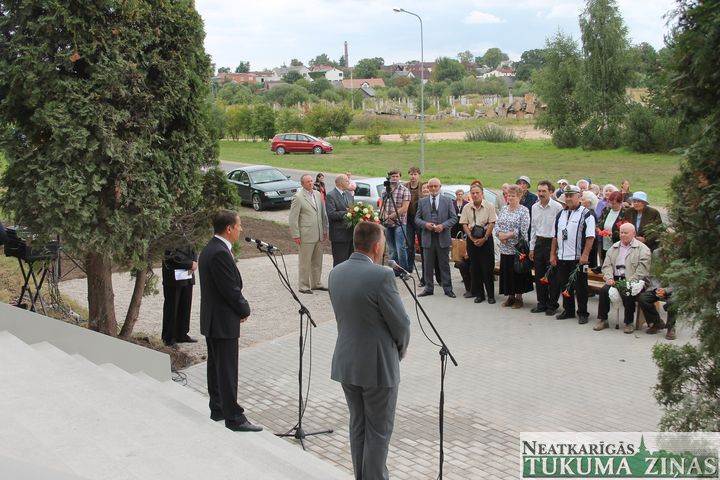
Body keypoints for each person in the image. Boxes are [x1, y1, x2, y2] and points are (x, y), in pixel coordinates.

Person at [329, 221, 411, 480]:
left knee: (358, 425)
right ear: (376, 247)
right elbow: (401, 324)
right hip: (377, 366)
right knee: (378, 431)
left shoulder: (336, 272)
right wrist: (399, 350)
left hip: (347, 363)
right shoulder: (382, 276)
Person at [199, 210, 261, 432]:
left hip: (214, 319)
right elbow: (230, 289)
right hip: (222, 320)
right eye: (238, 226)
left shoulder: (211, 248)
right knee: (226, 369)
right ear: (229, 229)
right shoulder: (219, 253)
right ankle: (234, 418)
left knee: (216, 366)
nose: (240, 229)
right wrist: (244, 309)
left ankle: (218, 408)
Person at [549, 185, 596, 323]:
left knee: (581, 287)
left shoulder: (586, 214)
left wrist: (585, 255)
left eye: (571, 195)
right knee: (565, 285)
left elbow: (590, 237)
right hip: (562, 256)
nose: (568, 198)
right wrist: (553, 254)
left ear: (579, 196)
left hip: (578, 258)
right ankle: (568, 310)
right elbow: (555, 236)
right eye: (567, 196)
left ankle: (583, 312)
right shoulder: (561, 214)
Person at [593, 223, 651, 334]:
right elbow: (606, 266)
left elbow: (642, 269)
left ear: (633, 234)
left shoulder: (642, 249)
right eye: (621, 233)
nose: (623, 235)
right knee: (604, 290)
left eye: (626, 233)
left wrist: (630, 281)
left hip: (634, 280)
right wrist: (609, 278)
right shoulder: (614, 248)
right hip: (615, 278)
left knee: (627, 292)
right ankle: (602, 319)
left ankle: (628, 322)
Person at [415, 177, 458, 298]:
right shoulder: (422, 202)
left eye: (436, 186)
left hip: (442, 237)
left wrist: (443, 226)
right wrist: (425, 225)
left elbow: (454, 218)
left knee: (444, 264)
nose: (433, 188)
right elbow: (417, 219)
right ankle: (428, 288)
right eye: (431, 186)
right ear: (428, 187)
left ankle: (448, 289)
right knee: (428, 265)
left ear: (440, 187)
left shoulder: (447, 201)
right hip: (428, 237)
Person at [289, 174, 329, 294]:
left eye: (311, 181)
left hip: (318, 233)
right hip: (306, 235)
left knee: (317, 261)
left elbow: (322, 214)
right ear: (302, 184)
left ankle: (316, 283)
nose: (311, 183)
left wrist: (324, 230)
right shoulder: (298, 197)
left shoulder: (317, 194)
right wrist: (296, 235)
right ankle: (304, 285)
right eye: (308, 182)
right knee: (305, 261)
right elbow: (293, 218)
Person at [495, 184, 533, 309]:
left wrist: (508, 235)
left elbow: (524, 229)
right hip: (505, 247)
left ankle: (518, 298)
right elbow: (497, 224)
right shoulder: (504, 209)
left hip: (517, 248)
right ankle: (510, 296)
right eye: (508, 195)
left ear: (519, 196)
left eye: (513, 196)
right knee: (507, 272)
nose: (510, 198)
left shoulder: (524, 210)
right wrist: (499, 234)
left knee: (518, 272)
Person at [459, 183, 497, 304]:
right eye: (473, 193)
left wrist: (485, 238)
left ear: (482, 194)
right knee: (475, 268)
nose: (475, 195)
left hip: (486, 239)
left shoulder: (489, 206)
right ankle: (480, 294)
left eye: (477, 193)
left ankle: (491, 295)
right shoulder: (467, 207)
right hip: (472, 240)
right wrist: (471, 237)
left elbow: (492, 223)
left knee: (487, 268)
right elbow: (464, 223)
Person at [529, 180, 563, 313]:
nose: (541, 194)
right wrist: (532, 247)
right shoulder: (534, 207)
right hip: (539, 242)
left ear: (551, 192)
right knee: (539, 275)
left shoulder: (557, 207)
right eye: (539, 191)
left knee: (553, 276)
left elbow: (559, 229)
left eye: (544, 191)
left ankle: (552, 304)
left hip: (552, 243)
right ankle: (541, 303)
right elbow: (533, 228)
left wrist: (556, 250)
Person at [161, 247, 197, 346]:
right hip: (174, 277)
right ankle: (168, 338)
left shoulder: (188, 237)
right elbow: (170, 256)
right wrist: (190, 263)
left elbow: (193, 248)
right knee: (172, 307)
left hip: (187, 275)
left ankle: (182, 334)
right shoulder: (170, 239)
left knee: (185, 306)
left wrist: (194, 262)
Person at [381, 169, 411, 274]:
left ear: (400, 177)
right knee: (392, 249)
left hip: (400, 223)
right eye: (393, 176)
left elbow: (405, 208)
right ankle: (395, 270)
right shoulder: (385, 191)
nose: (395, 178)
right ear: (389, 178)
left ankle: (404, 270)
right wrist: (386, 216)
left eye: (397, 176)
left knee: (400, 248)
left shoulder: (404, 190)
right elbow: (382, 205)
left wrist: (391, 216)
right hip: (387, 223)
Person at [325, 174, 355, 266]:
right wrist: (347, 212)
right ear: (340, 183)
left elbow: (353, 210)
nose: (349, 182)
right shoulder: (331, 195)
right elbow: (331, 214)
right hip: (339, 236)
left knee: (350, 262)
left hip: (350, 234)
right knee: (340, 262)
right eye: (347, 181)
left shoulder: (348, 194)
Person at [596, 191, 628, 264]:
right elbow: (599, 224)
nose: (611, 205)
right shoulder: (606, 210)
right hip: (604, 244)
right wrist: (599, 230)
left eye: (614, 203)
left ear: (620, 202)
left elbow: (625, 230)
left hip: (617, 245)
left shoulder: (624, 213)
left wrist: (612, 233)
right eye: (610, 203)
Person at [404, 166, 422, 275]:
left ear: (419, 175)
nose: (413, 176)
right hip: (408, 219)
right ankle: (409, 268)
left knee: (423, 243)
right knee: (409, 244)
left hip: (420, 219)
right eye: (411, 174)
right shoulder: (404, 186)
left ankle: (427, 267)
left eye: (415, 174)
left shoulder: (423, 187)